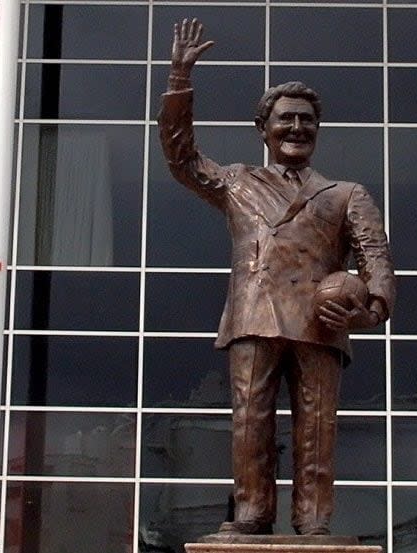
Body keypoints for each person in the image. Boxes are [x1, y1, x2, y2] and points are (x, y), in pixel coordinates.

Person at [159, 19, 395, 536]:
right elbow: (180, 156)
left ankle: (313, 520)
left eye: (306, 120)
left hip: (321, 321)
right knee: (250, 421)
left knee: (317, 426)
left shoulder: (346, 193)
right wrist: (180, 78)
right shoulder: (237, 182)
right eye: (285, 119)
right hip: (254, 314)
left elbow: (375, 259)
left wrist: (368, 310)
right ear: (263, 130)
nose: (296, 128)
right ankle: (252, 513)